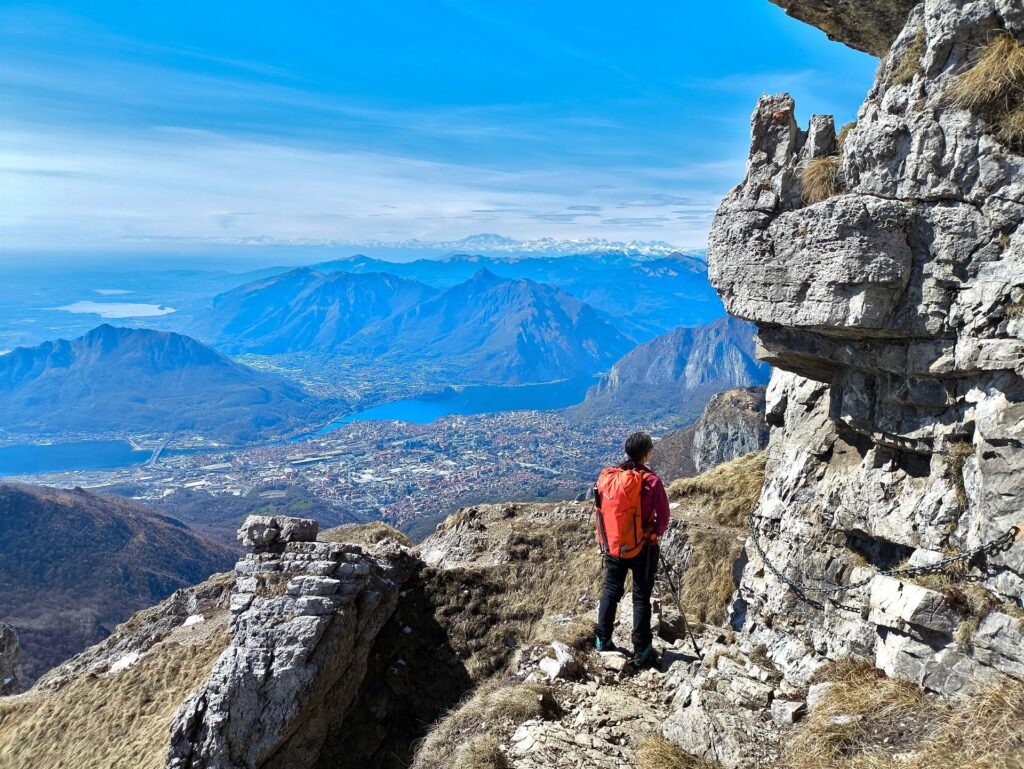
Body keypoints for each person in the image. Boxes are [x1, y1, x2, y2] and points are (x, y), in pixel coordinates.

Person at [593, 431, 670, 668]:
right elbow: (664, 516)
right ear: (647, 453)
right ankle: (642, 649)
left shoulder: (613, 477)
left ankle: (602, 639)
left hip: (615, 545)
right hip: (644, 548)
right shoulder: (652, 481)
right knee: (640, 597)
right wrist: (654, 534)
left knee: (611, 590)